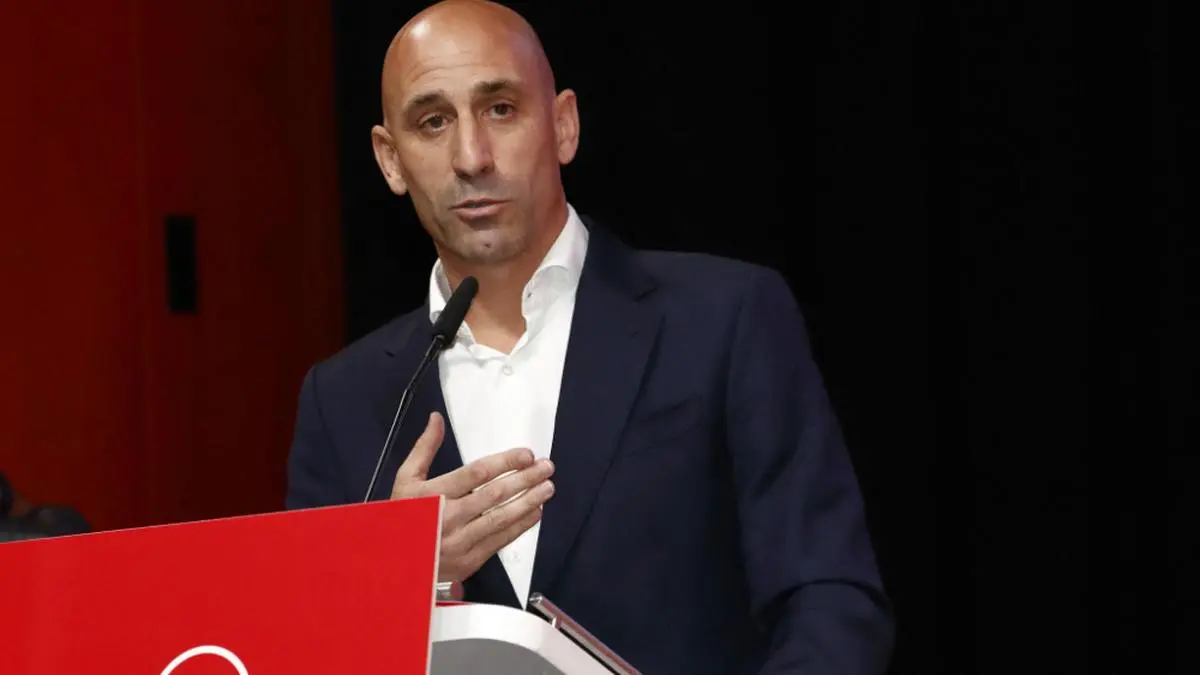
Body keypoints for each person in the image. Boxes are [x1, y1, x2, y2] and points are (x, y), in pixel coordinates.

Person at [285, 1, 893, 672]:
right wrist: (389, 569)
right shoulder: (343, 400)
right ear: (391, 160)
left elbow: (829, 601)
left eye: (500, 109)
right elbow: (305, 649)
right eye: (433, 122)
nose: (471, 157)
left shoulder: (725, 319)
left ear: (564, 125)